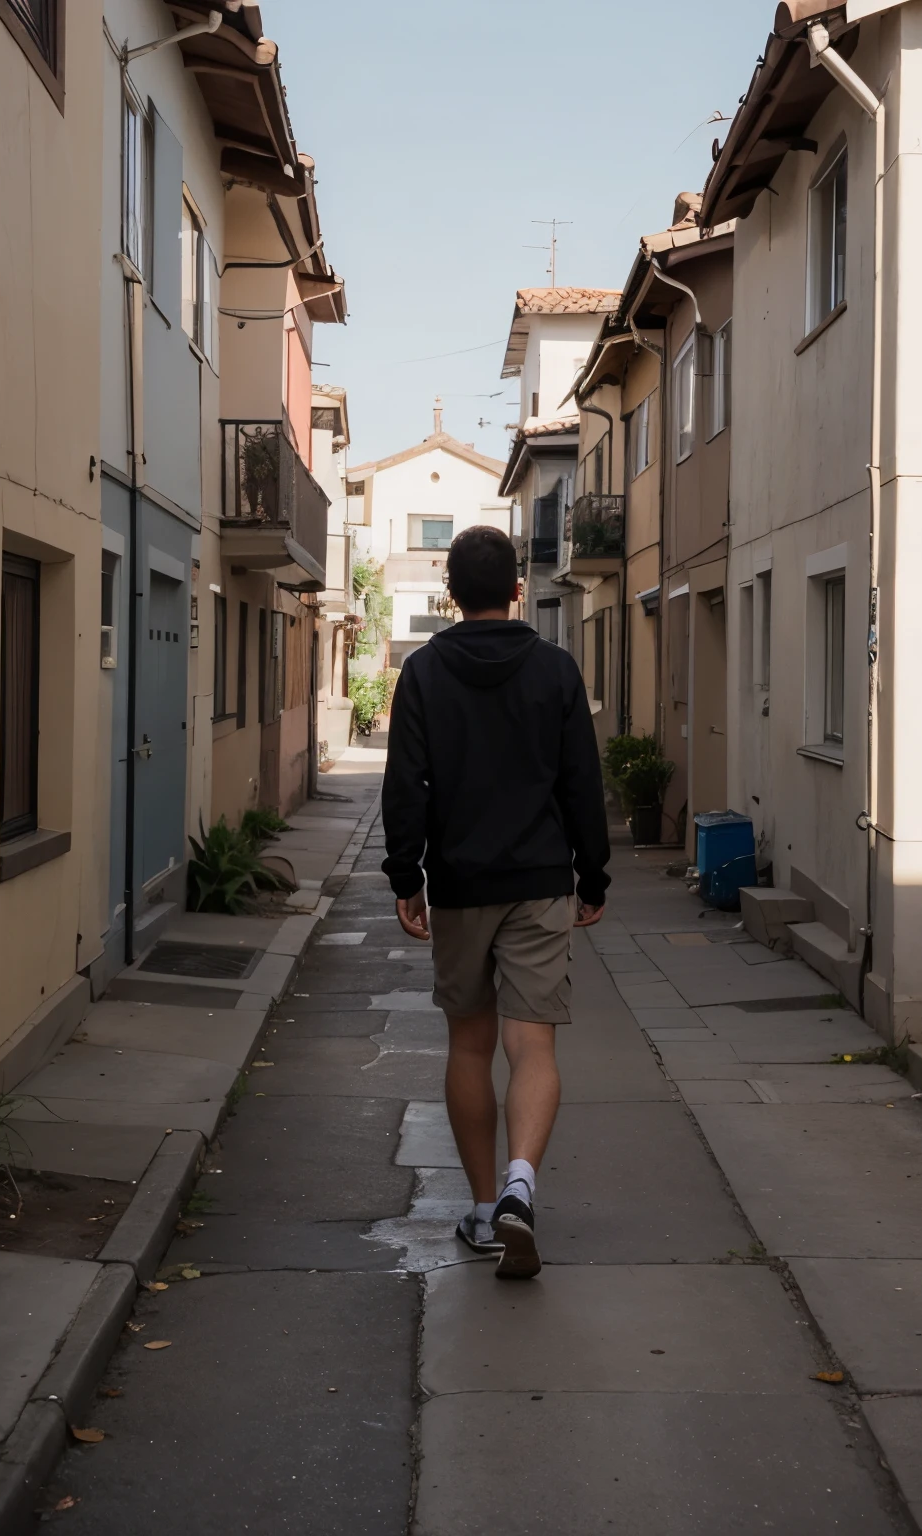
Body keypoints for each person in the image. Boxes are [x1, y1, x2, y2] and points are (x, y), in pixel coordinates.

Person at [381, 525, 610, 1278]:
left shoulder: (422, 672)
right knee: (532, 1045)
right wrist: (594, 874)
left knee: (469, 1046)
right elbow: (581, 780)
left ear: (451, 591)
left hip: (459, 884)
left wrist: (406, 877)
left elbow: (405, 784)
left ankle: (484, 1211)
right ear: (518, 588)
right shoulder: (555, 671)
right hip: (541, 880)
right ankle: (522, 1185)